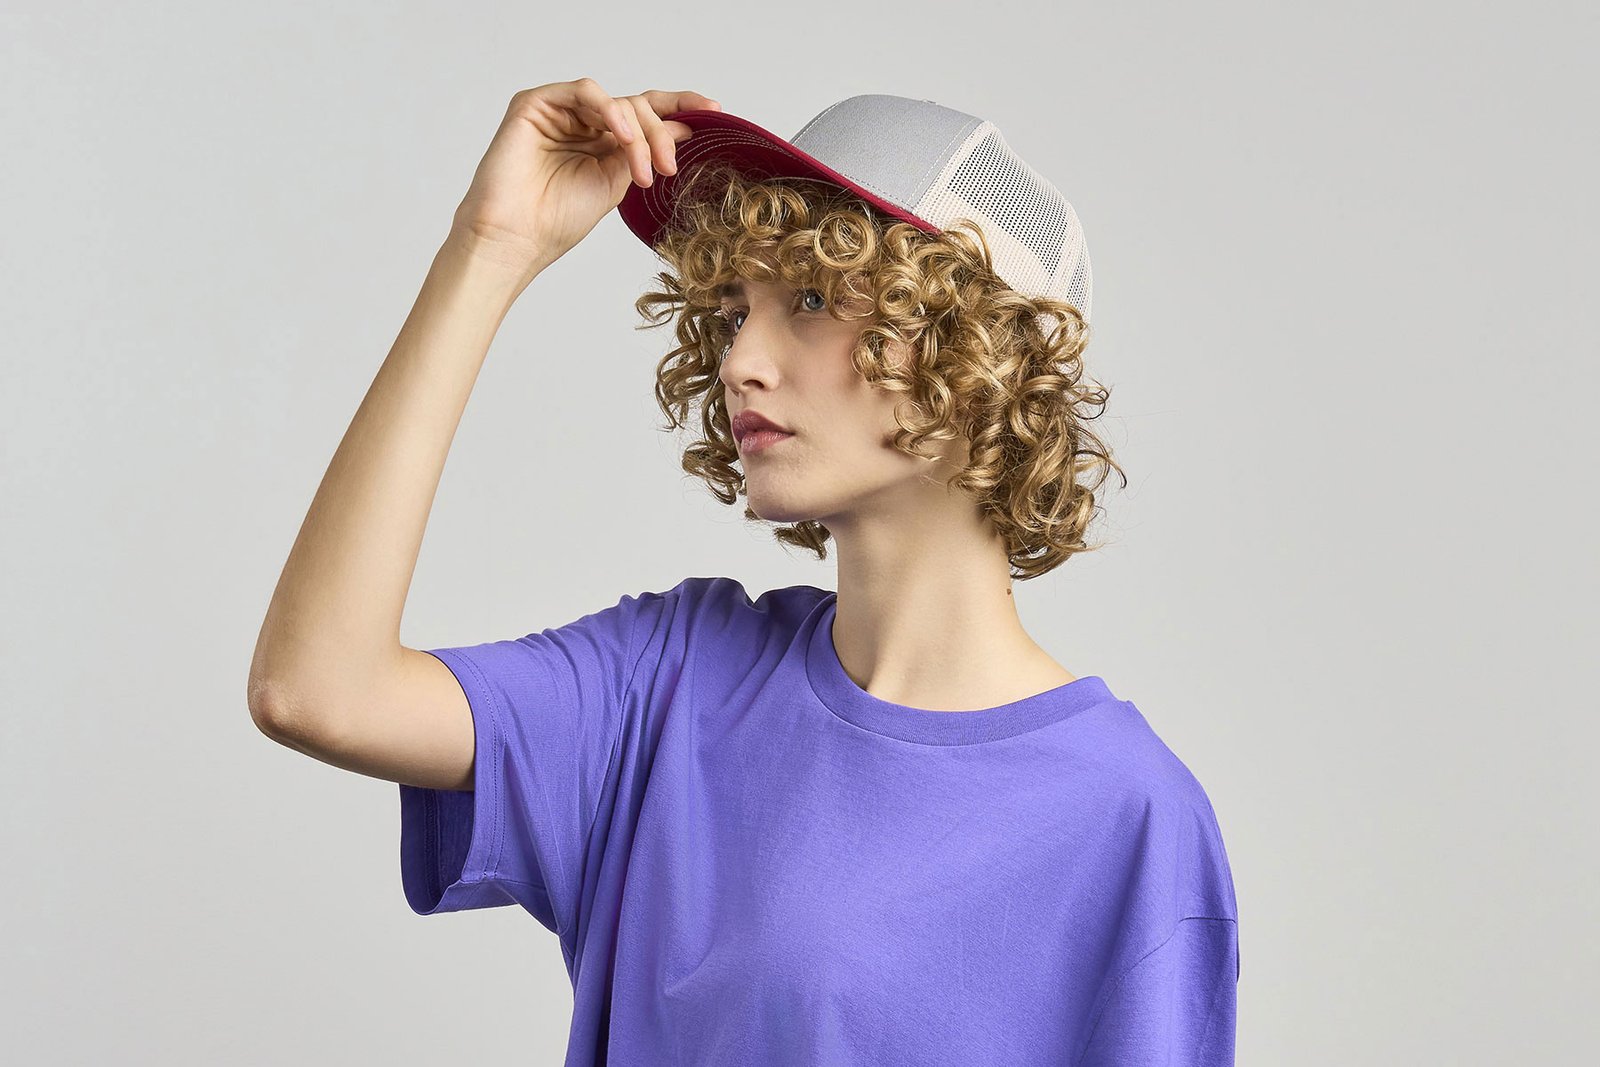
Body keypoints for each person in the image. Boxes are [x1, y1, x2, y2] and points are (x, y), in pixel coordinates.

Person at [247, 78, 1240, 1066]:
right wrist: (490, 248)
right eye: (732, 313)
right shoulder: (672, 680)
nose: (739, 361)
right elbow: (316, 688)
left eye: (809, 299)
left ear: (974, 352)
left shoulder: (1128, 815)